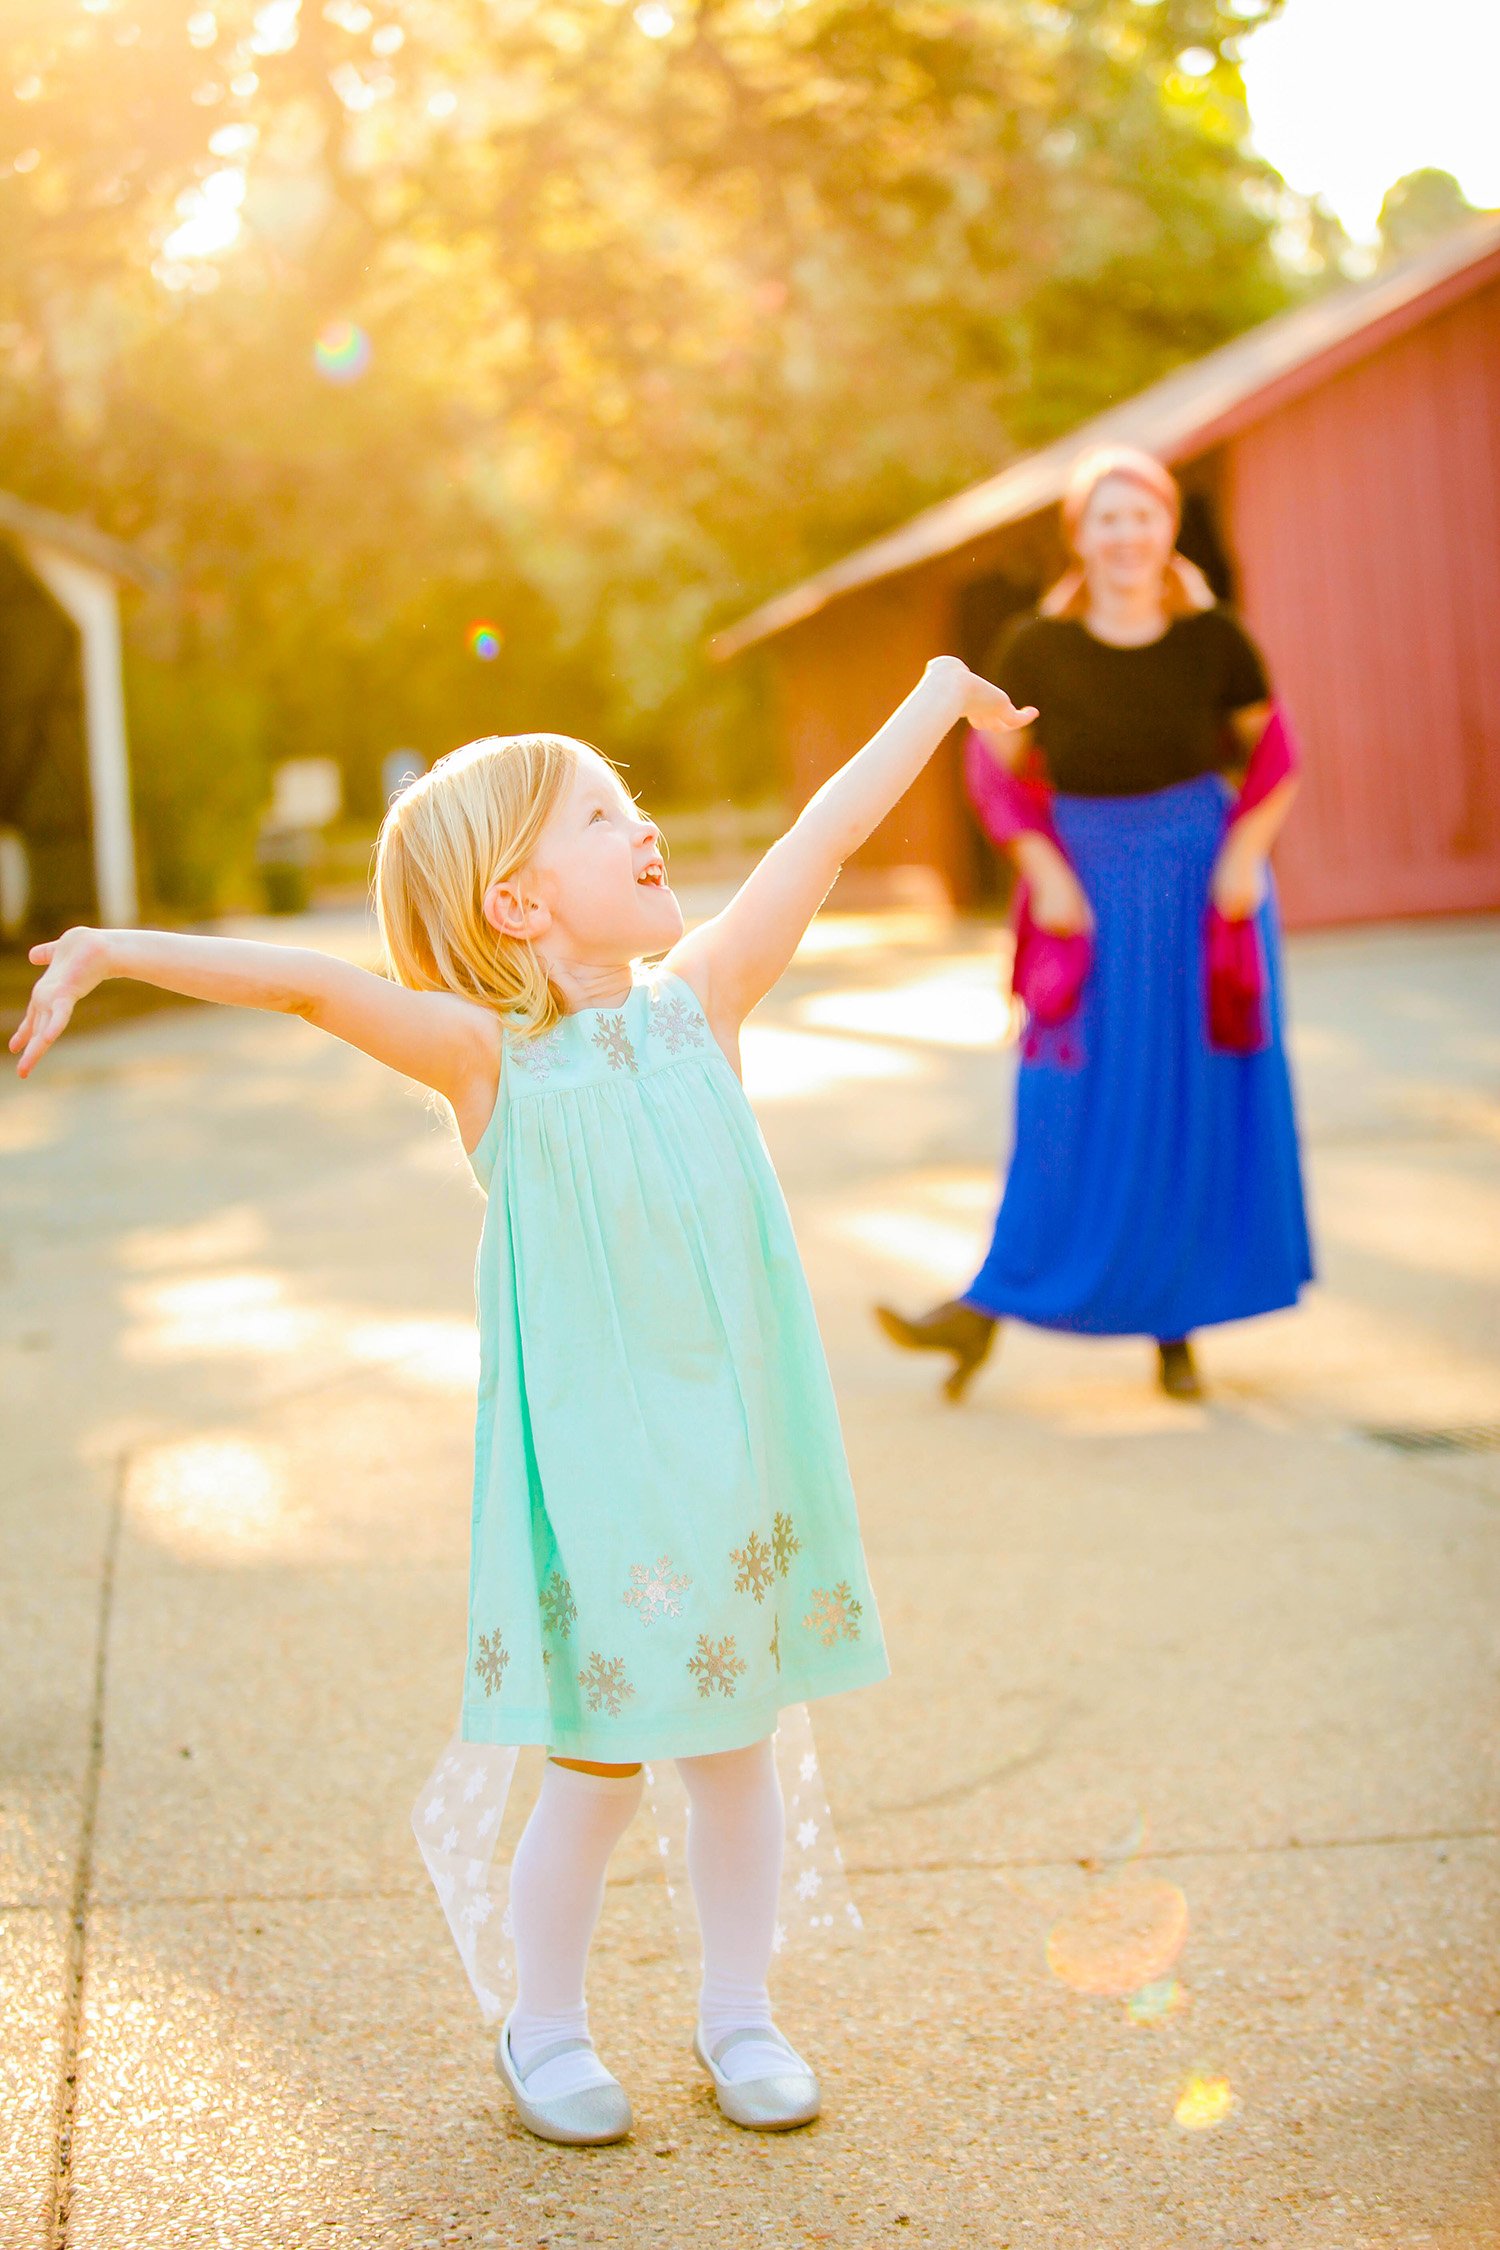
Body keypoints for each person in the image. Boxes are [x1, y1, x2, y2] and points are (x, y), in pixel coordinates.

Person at [11, 655, 1034, 2146]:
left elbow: (820, 831)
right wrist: (104, 946)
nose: (644, 828)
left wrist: (939, 696)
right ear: (517, 902)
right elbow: (307, 982)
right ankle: (542, 2026)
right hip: (605, 1481)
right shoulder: (493, 1061)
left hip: (732, 1458)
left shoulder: (705, 1002)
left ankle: (739, 2013)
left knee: (738, 1754)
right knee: (603, 1768)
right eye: (604, 814)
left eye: (631, 803)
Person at [876, 446, 1313, 1404]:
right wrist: (1042, 866)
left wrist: (1243, 856)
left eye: (1143, 516)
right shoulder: (1038, 647)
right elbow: (993, 768)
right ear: (1081, 535)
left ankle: (1177, 1327)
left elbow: (1274, 752)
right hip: (1084, 887)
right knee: (1064, 1107)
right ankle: (986, 1310)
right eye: (1107, 519)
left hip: (1200, 891)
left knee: (1187, 1097)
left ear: (1166, 530)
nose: (1127, 536)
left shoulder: (1217, 641)